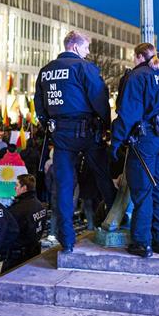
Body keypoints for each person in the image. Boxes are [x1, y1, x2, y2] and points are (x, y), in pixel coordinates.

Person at [34, 30, 117, 253]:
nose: (88, 52)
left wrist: (50, 125)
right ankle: (118, 221)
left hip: (61, 135)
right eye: (87, 47)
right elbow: (100, 99)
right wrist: (106, 126)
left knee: (64, 187)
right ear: (76, 47)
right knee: (103, 178)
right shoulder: (83, 68)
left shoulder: (45, 71)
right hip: (87, 133)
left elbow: (39, 106)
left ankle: (67, 239)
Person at [111, 42, 159, 258]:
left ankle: (142, 243)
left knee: (143, 191)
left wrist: (115, 142)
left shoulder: (138, 76)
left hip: (145, 140)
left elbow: (128, 113)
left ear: (139, 56)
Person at [3, 174, 46, 272]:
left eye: (17, 185)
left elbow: (9, 234)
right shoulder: (40, 205)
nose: (14, 188)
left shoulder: (18, 210)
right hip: (34, 251)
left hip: (18, 257)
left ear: (24, 188)